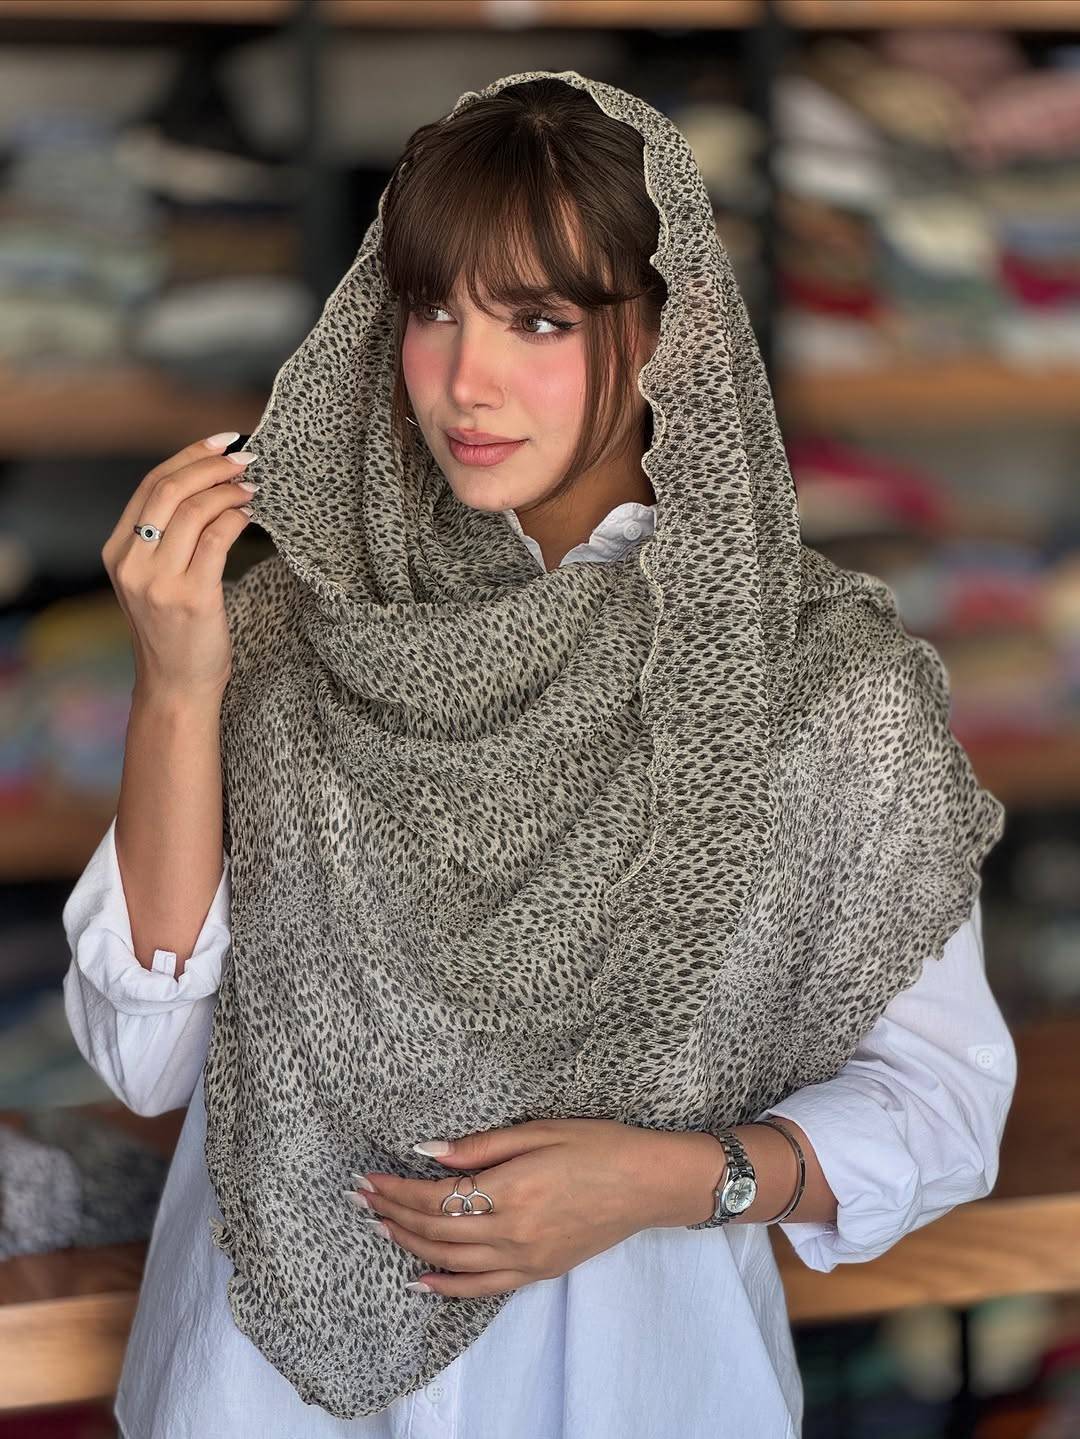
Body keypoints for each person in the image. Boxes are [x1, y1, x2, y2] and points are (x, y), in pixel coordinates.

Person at [62, 72, 1015, 1438]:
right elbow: (144, 1061)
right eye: (433, 309)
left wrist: (664, 1180)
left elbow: (941, 1109)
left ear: (670, 333)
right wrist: (173, 684)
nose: (467, 378)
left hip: (633, 1388)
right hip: (257, 1393)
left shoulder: (816, 683)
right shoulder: (285, 628)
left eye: (541, 320)